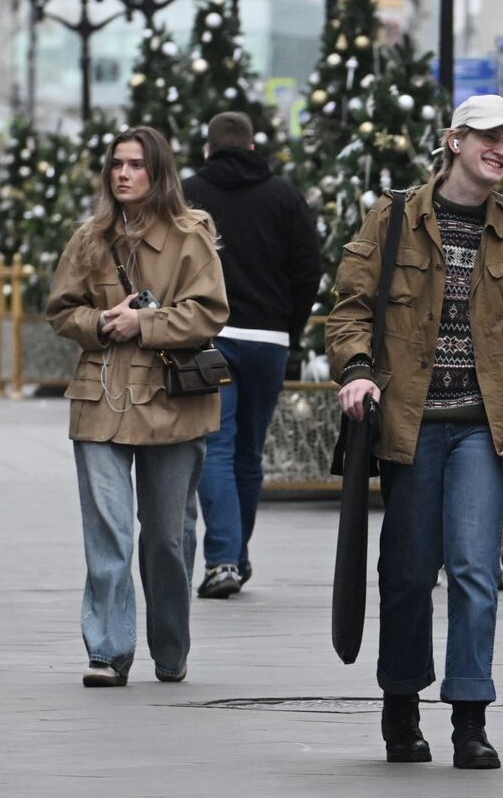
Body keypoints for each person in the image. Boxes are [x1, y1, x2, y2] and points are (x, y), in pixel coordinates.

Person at [327, 94, 503, 769]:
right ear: (453, 140)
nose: (502, 150)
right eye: (489, 137)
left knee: (474, 571)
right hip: (409, 423)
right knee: (404, 573)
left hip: (477, 429)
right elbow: (349, 307)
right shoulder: (394, 217)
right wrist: (358, 370)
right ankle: (401, 702)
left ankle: (469, 717)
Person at [45, 127, 229, 687]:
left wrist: (142, 321)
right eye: (116, 164)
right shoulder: (89, 238)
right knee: (108, 534)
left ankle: (170, 648)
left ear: (159, 172)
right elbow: (61, 310)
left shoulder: (190, 236)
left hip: (170, 404)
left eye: (136, 165)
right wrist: (100, 322)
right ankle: (108, 650)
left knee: (166, 539)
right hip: (99, 397)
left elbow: (208, 313)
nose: (123, 174)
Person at [182, 112, 321, 599]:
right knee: (248, 454)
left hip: (209, 337)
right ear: (253, 145)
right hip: (269, 341)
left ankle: (223, 561)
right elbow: (309, 266)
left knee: (216, 448)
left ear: (208, 148)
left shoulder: (190, 192)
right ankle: (236, 556)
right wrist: (290, 326)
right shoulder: (283, 194)